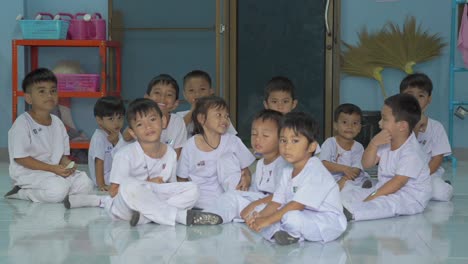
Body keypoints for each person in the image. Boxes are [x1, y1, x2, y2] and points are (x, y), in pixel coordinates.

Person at [65, 98, 222, 227]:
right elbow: (114, 191)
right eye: (140, 124)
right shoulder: (124, 155)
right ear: (132, 132)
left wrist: (155, 187)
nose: (148, 127)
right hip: (125, 207)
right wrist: (147, 183)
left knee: (192, 189)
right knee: (130, 186)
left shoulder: (170, 154)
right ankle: (179, 217)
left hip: (152, 199)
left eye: (153, 120)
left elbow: (170, 186)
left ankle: (145, 218)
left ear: (162, 121)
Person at [246, 112, 347, 245]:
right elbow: (276, 202)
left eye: (295, 141)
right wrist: (261, 216)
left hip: (327, 221)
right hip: (303, 214)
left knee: (290, 217)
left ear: (312, 146)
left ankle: (289, 233)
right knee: (263, 211)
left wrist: (267, 220)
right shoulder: (287, 170)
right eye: (283, 140)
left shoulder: (316, 169)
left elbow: (297, 205)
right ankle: (286, 234)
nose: (287, 146)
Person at [5, 68, 93, 203]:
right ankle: (21, 192)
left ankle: (60, 188)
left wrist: (68, 164)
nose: (49, 95)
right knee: (57, 191)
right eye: (42, 91)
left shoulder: (57, 123)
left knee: (85, 183)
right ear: (28, 98)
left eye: (53, 91)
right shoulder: (22, 124)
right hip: (30, 173)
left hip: (53, 172)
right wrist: (52, 169)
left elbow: (62, 156)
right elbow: (21, 159)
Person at [342, 94, 432, 222]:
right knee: (350, 191)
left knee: (384, 204)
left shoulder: (412, 152)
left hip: (408, 197)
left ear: (402, 126)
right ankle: (335, 206)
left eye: (384, 119)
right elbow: (367, 164)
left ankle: (351, 213)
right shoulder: (386, 141)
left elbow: (397, 183)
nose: (379, 123)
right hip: (383, 188)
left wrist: (370, 198)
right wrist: (373, 143)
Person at [203, 109, 287, 223]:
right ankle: (208, 216)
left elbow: (283, 196)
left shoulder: (283, 164)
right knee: (231, 196)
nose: (257, 139)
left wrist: (253, 204)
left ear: (281, 139)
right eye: (254, 134)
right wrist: (243, 191)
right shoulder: (261, 163)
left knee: (240, 202)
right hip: (260, 201)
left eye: (265, 135)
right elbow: (256, 191)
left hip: (277, 205)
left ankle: (214, 216)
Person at [176, 95, 256, 209]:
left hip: (231, 194)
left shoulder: (233, 141)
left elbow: (245, 170)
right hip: (199, 199)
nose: (224, 120)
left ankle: (235, 205)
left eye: (226, 116)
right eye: (219, 115)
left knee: (227, 159)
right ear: (202, 119)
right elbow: (181, 179)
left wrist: (247, 178)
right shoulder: (190, 146)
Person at [400, 73, 453, 201]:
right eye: (409, 95)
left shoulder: (436, 127)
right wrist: (415, 128)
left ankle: (446, 185)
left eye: (421, 95)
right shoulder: (395, 125)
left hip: (428, 173)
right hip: (401, 173)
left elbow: (437, 158)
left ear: (429, 99)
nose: (415, 100)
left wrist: (422, 176)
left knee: (440, 194)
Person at [124, 74, 187, 159]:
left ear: (175, 104)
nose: (162, 97)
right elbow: (126, 137)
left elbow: (176, 156)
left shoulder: (178, 122)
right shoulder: (140, 116)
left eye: (169, 94)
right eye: (157, 92)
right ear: (146, 97)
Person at [320, 103, 372, 190]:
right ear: (336, 125)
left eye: (355, 123)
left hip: (350, 177)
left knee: (358, 180)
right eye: (344, 122)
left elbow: (356, 169)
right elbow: (324, 164)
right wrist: (344, 168)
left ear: (359, 128)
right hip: (332, 177)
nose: (350, 127)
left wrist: (344, 179)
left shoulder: (358, 147)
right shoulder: (330, 143)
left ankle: (361, 187)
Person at [176, 70, 237, 137]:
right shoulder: (180, 116)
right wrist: (192, 111)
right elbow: (176, 130)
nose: (197, 94)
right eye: (191, 90)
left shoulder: (220, 115)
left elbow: (232, 137)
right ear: (185, 95)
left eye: (202, 89)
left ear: (211, 91)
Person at [88, 96, 126, 191]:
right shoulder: (99, 137)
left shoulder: (118, 134)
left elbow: (124, 155)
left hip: (114, 173)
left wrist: (116, 141)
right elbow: (99, 163)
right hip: (104, 177)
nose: (116, 123)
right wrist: (101, 185)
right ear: (99, 120)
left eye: (120, 118)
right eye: (111, 119)